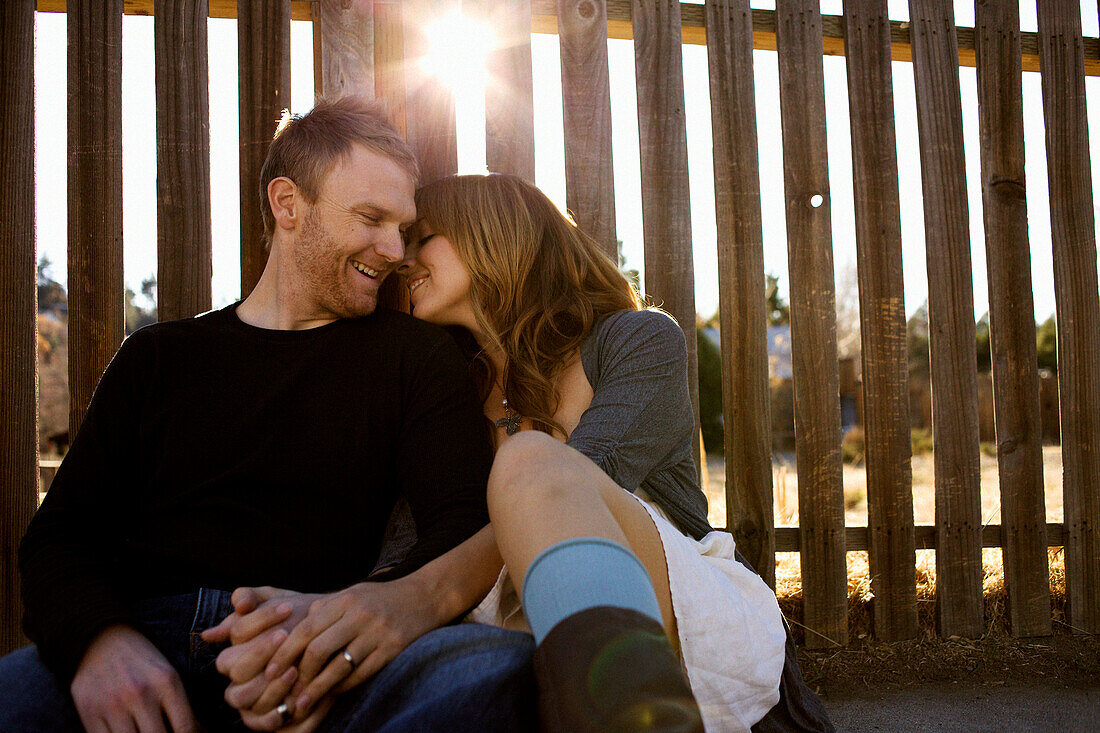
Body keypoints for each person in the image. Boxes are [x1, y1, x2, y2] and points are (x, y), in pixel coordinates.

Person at [219, 174, 832, 732]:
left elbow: (585, 480)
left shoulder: (637, 339)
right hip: (501, 612)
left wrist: (418, 600)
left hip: (672, 600)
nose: (401, 260)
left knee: (530, 462)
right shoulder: (449, 386)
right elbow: (411, 546)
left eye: (422, 238)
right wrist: (324, 627)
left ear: (492, 237)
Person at [0, 99, 536, 733]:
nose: (395, 250)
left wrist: (357, 619)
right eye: (371, 219)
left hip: (326, 649)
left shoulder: (415, 356)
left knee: (497, 672)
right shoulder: (159, 358)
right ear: (288, 205)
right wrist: (100, 644)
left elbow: (460, 525)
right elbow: (60, 539)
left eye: (404, 227)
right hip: (147, 647)